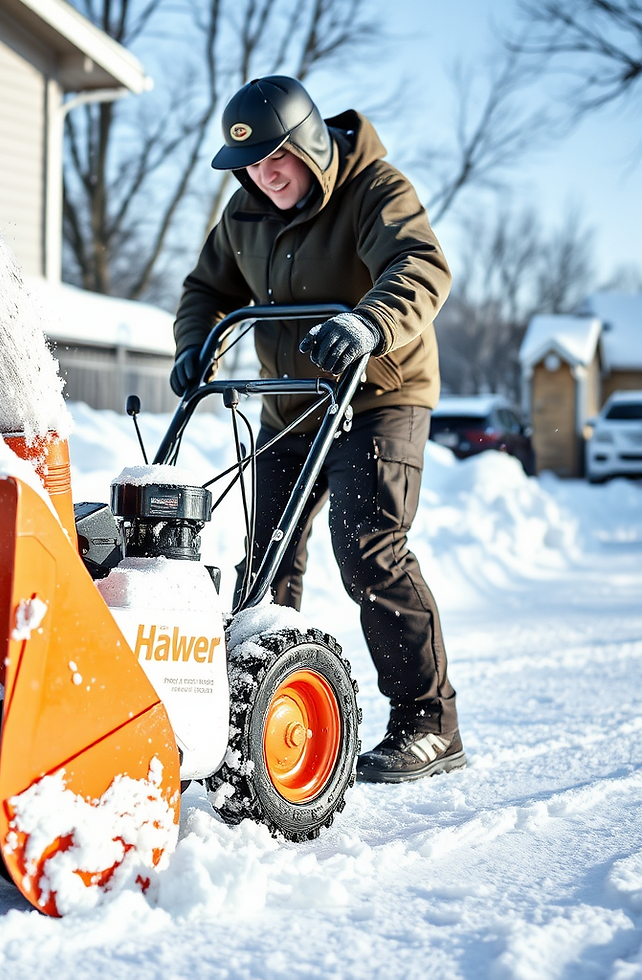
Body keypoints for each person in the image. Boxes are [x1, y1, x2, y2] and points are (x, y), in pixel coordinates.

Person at [170, 75, 464, 783]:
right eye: (250, 163)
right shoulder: (244, 215)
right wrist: (193, 342)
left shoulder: (374, 188)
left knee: (368, 548)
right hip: (293, 405)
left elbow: (420, 264)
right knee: (268, 559)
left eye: (277, 157)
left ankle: (429, 723)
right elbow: (206, 289)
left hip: (380, 396)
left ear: (308, 145)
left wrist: (370, 321)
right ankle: (248, 711)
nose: (264, 175)